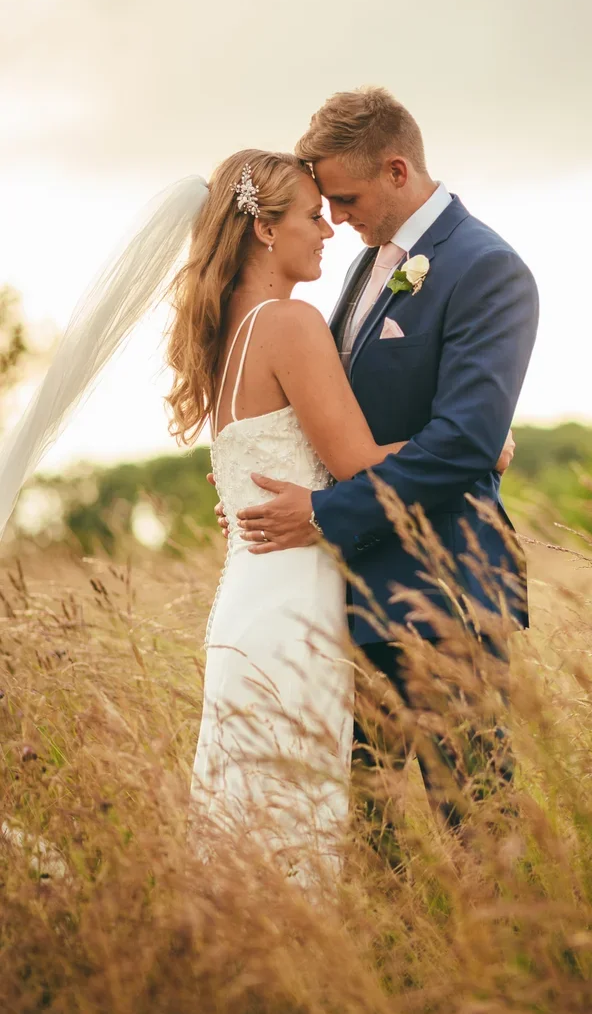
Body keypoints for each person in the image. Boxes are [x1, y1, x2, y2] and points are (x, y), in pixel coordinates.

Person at [215, 88, 539, 856]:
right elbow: (326, 416)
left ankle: (519, 969)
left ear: (397, 170)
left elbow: (463, 442)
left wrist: (324, 513)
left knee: (476, 818)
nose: (336, 216)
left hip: (440, 590)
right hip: (343, 599)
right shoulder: (366, 270)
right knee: (363, 834)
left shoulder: (487, 270)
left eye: (347, 198)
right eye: (322, 203)